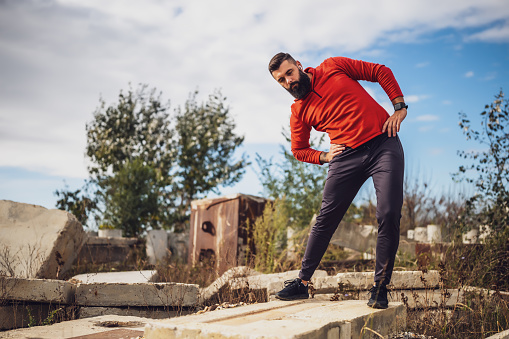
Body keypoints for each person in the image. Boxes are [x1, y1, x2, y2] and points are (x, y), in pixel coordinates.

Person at [268, 53, 407, 309]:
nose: (288, 81)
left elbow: (380, 71)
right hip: (345, 158)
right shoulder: (298, 111)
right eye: (281, 80)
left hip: (382, 144)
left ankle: (380, 287)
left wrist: (399, 106)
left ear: (298, 66)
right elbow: (298, 149)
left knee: (388, 213)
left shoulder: (333, 66)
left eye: (289, 73)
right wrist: (323, 156)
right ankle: (302, 282)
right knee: (325, 219)